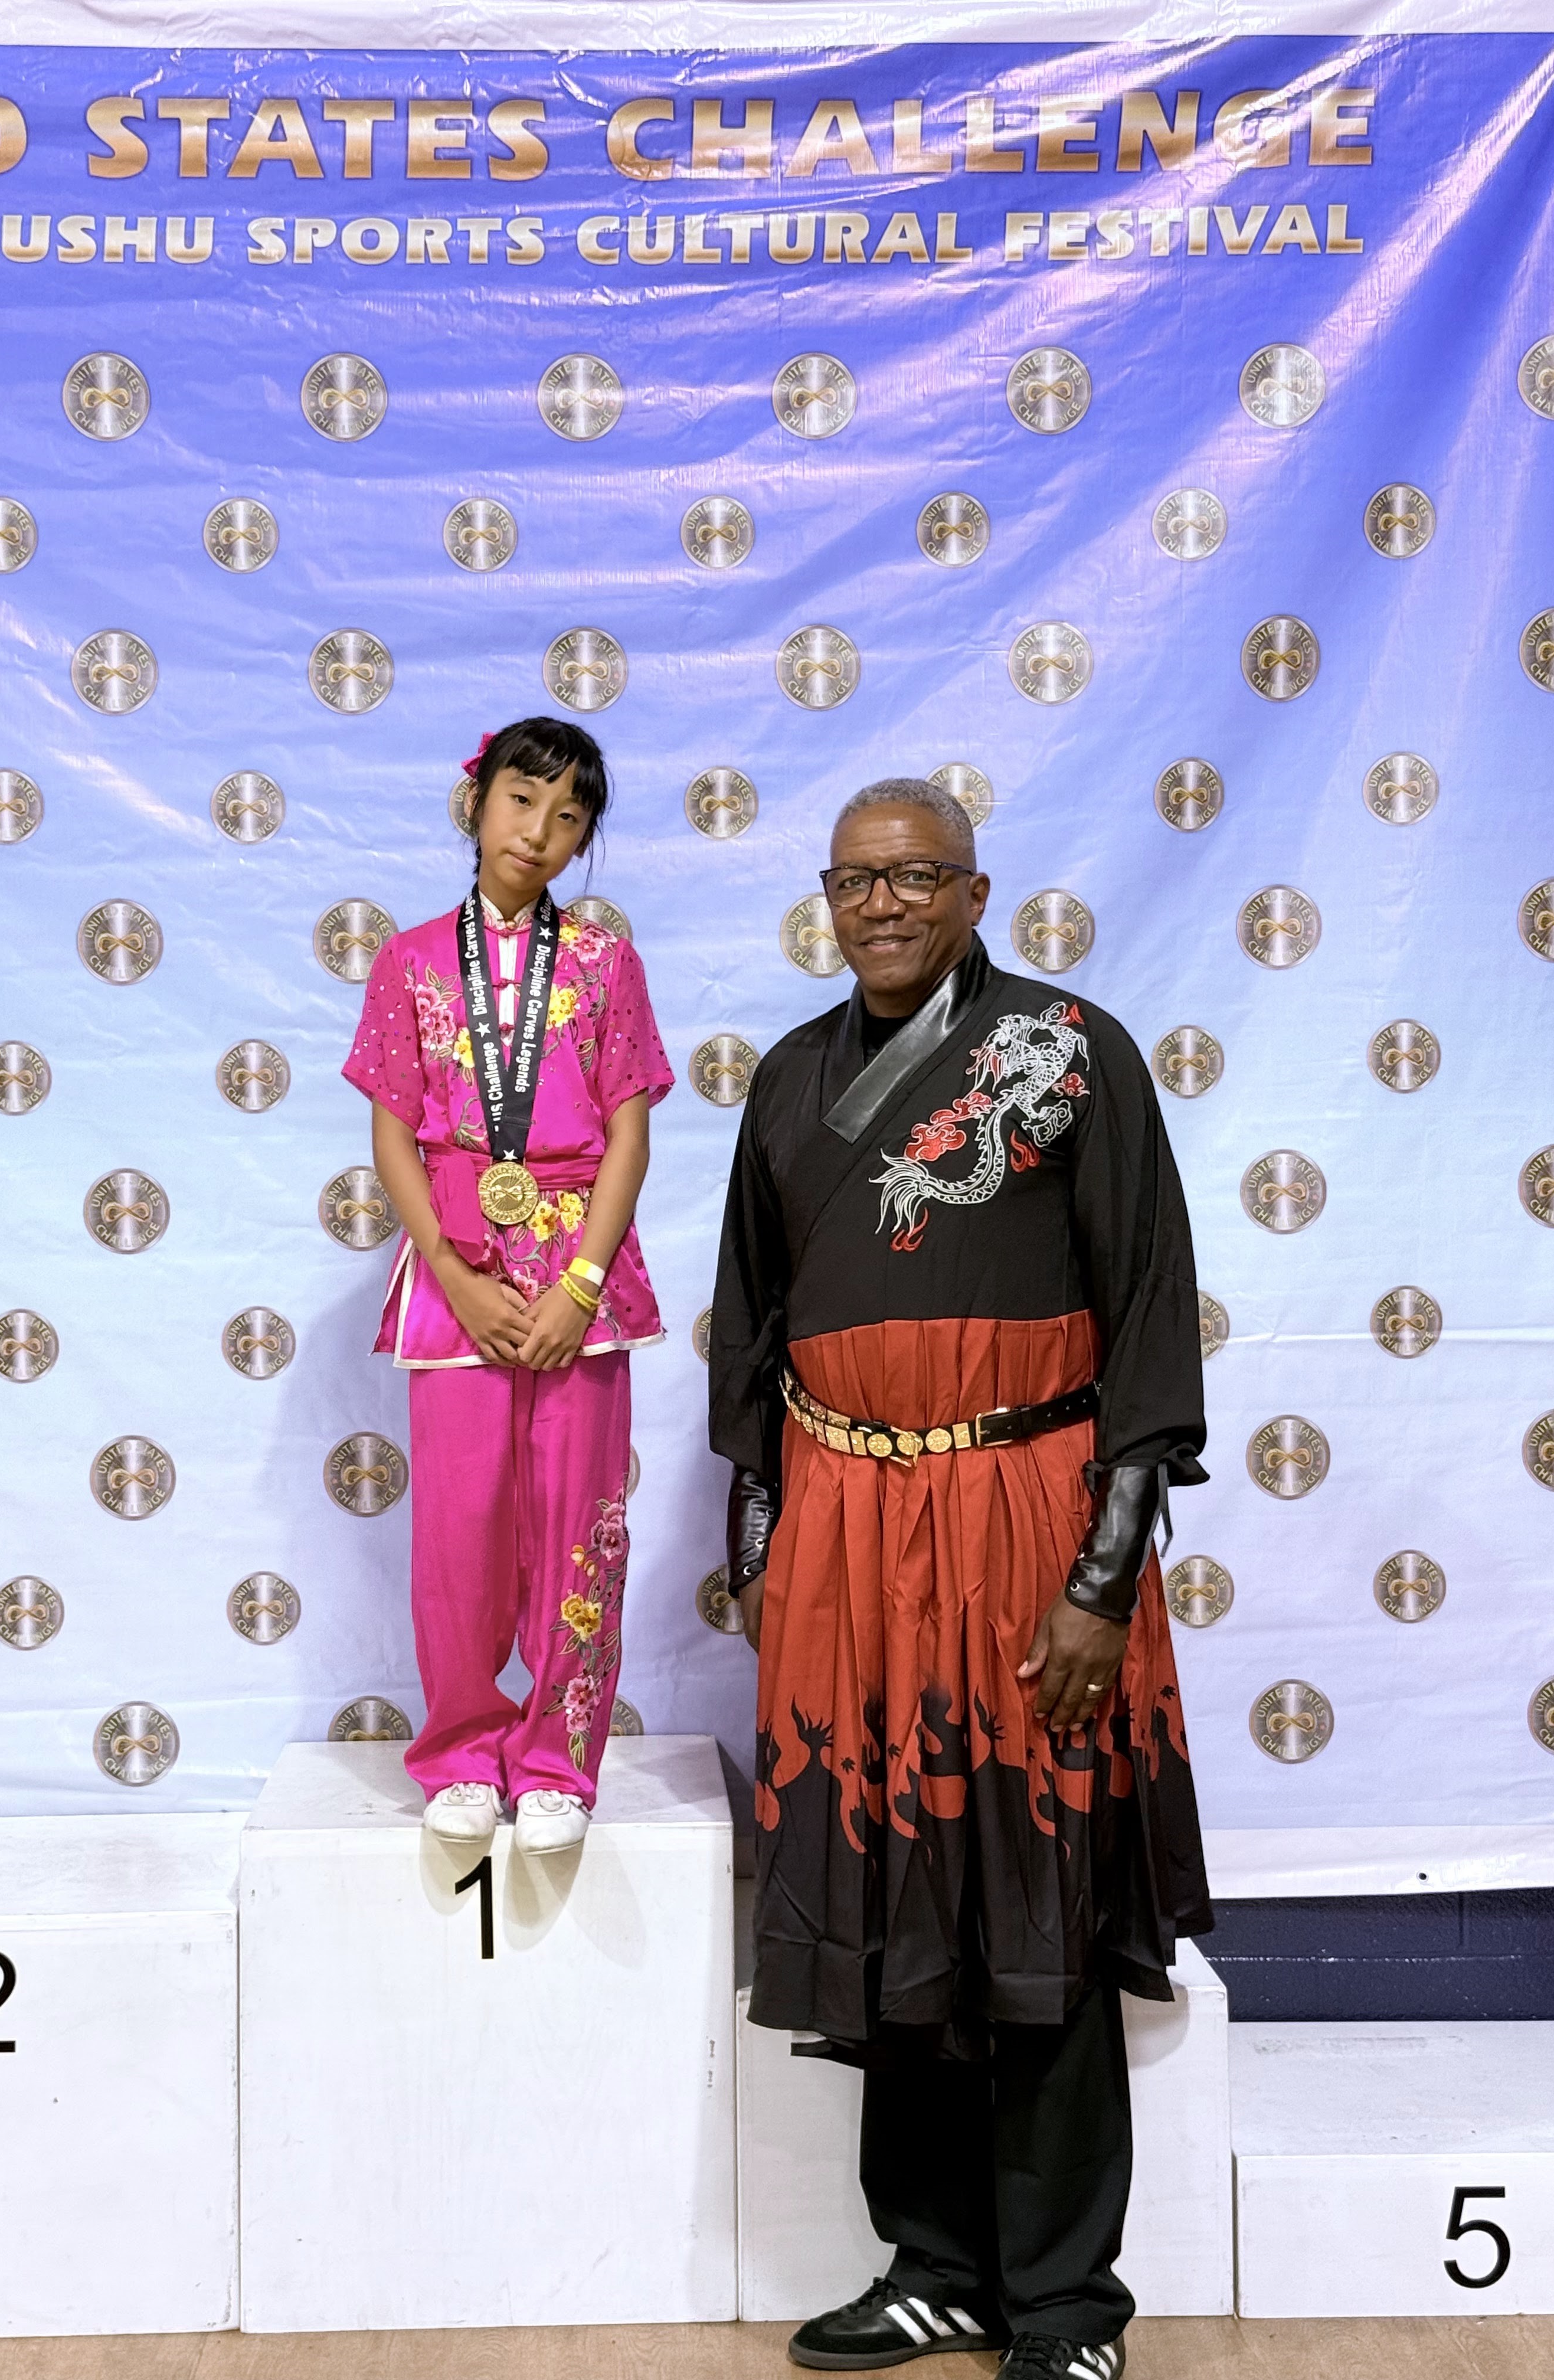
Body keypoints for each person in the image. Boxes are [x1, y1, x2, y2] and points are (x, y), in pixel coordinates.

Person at [709, 779, 1211, 2377]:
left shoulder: (1068, 1052)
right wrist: (759, 1544)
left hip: (1025, 1522)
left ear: (976, 893)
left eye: (917, 875)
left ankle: (1063, 2304)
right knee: (890, 1886)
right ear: (827, 899)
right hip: (848, 1529)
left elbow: (1148, 1311)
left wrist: (1105, 1578)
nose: (884, 904)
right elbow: (752, 1329)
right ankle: (931, 2265)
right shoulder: (787, 1081)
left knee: (1035, 1892)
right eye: (857, 880)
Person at [344, 717, 673, 1856]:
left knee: (582, 1521)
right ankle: (459, 1752)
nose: (540, 831)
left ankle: (558, 1766)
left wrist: (581, 1286)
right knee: (460, 1528)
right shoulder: (410, 961)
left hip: (582, 1273)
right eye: (522, 801)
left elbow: (628, 1137)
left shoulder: (607, 963)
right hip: (456, 1276)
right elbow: (393, 1138)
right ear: (475, 802)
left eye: (569, 816)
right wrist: (451, 1272)